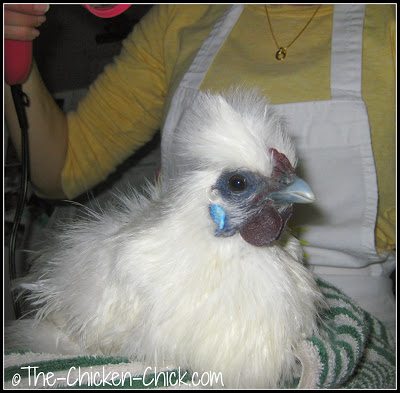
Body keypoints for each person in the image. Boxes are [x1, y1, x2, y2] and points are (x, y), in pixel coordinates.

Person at [5, 4, 395, 337]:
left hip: (358, 319)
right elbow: (63, 167)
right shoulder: (184, 14)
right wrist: (15, 58)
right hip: (170, 305)